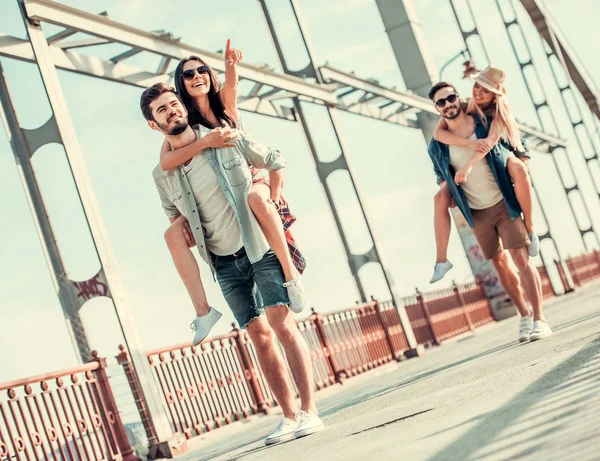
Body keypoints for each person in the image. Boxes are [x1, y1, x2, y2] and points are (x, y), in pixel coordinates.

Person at [141, 83, 324, 444]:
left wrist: (270, 198)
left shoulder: (222, 138)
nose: (172, 111)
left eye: (174, 104)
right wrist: (182, 230)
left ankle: (310, 411)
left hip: (257, 246)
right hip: (222, 261)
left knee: (281, 324)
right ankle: (288, 417)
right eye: (162, 110)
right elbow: (173, 215)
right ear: (154, 124)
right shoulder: (162, 174)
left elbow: (274, 157)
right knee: (259, 336)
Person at [158, 40, 306, 312]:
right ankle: (202, 309)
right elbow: (166, 162)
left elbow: (232, 85)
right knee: (174, 232)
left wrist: (229, 66)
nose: (196, 76)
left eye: (201, 70)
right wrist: (205, 142)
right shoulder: (187, 124)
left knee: (259, 201)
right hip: (227, 186)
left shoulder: (225, 105)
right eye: (188, 74)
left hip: (252, 175)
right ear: (182, 84)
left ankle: (290, 276)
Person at [427, 80, 552, 342]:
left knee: (520, 259)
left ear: (457, 98)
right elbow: (440, 173)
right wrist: (445, 188)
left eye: (450, 98)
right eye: (441, 102)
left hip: (503, 201)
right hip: (476, 211)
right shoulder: (437, 146)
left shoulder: (482, 121)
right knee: (499, 264)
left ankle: (540, 319)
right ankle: (524, 315)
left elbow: (510, 131)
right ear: (436, 108)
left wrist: (523, 157)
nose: (447, 104)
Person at [429, 66, 538, 284]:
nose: (479, 93)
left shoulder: (497, 112)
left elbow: (489, 144)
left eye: (485, 90)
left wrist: (468, 166)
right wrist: (468, 144)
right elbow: (438, 134)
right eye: (477, 86)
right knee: (439, 197)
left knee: (519, 169)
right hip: (480, 163)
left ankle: (531, 228)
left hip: (506, 150)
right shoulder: (465, 105)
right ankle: (441, 260)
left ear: (495, 95)